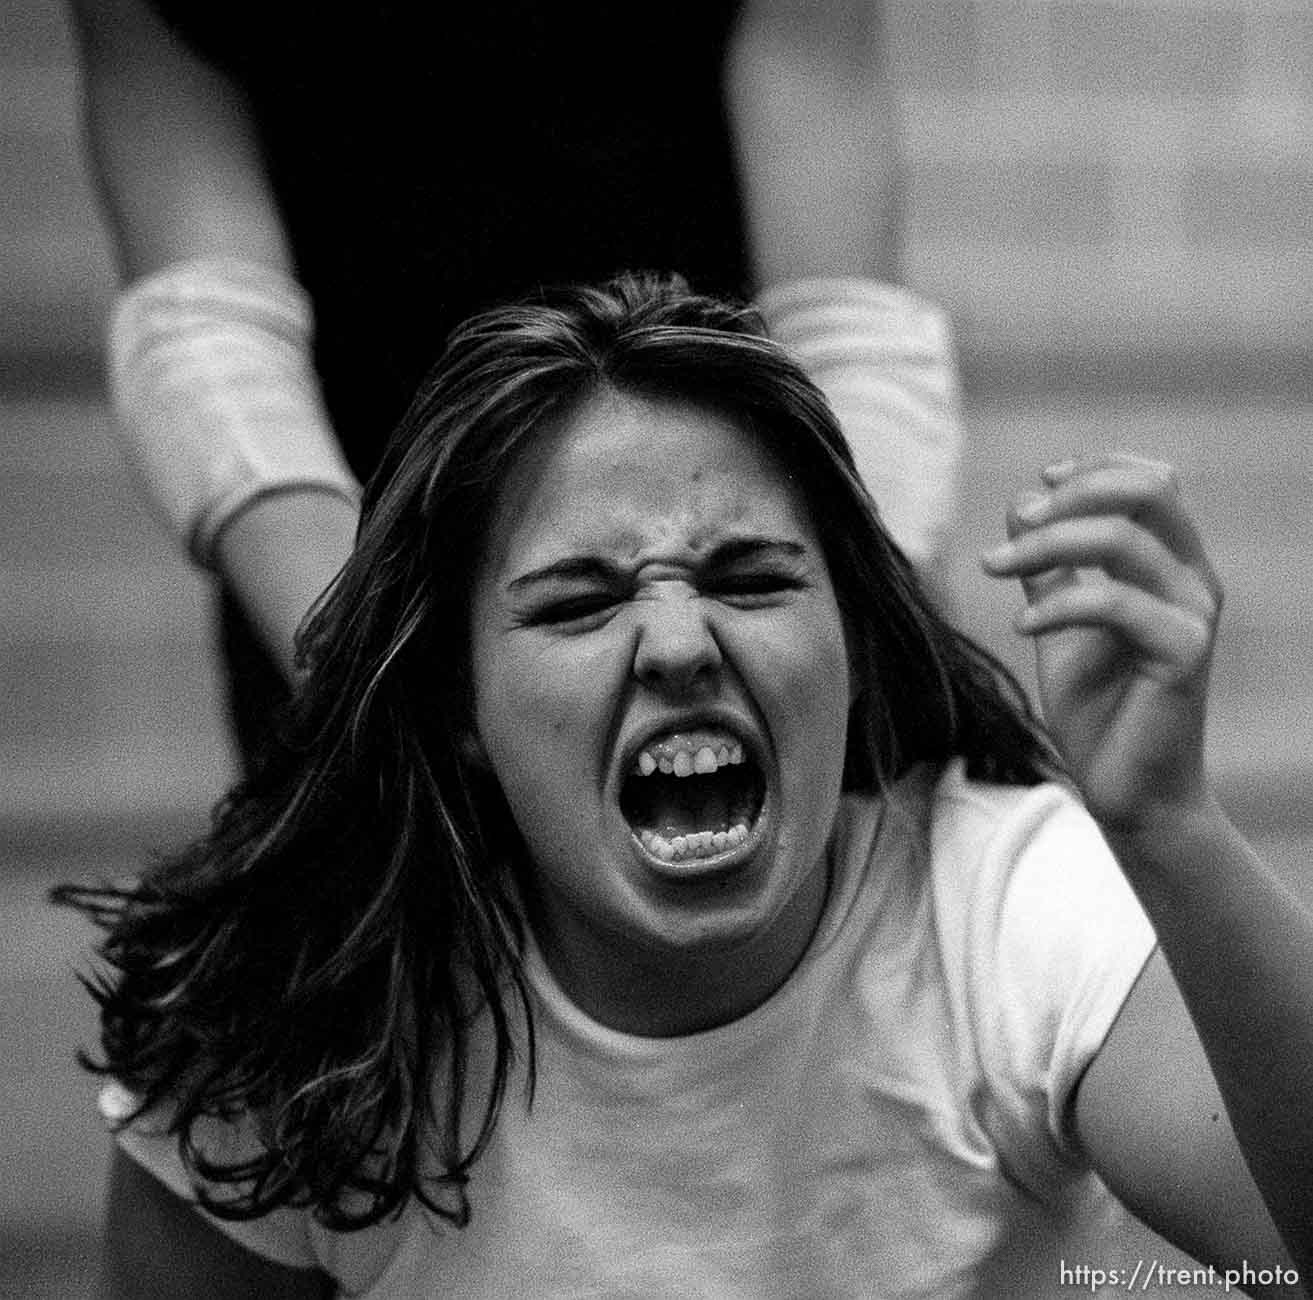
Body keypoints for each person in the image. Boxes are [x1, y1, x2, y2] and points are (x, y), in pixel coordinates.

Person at [58, 276, 1311, 1298]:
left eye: (750, 579)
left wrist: (1167, 826)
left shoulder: (1002, 905)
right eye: (581, 601)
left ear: (860, 651)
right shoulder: (299, 1010)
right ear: (462, 715)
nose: (675, 644)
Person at [66, 0, 960, 765]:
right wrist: (385, 672)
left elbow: (845, 320)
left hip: (760, 534)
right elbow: (207, 327)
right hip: (341, 574)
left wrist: (850, 619)